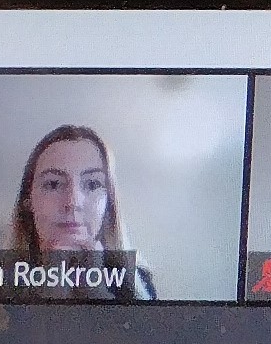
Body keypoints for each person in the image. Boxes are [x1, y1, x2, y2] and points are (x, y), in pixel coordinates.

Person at [8, 122, 158, 300]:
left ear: (109, 205)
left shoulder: (137, 284)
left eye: (93, 184)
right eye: (53, 184)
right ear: (28, 201)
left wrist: (98, 296)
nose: (73, 202)